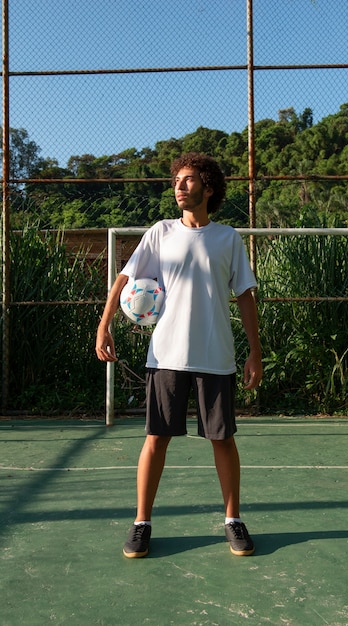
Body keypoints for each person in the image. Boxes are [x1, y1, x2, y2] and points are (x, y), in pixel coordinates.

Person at [95, 152, 263, 558]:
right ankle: (141, 524)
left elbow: (245, 296)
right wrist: (105, 323)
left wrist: (255, 352)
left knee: (223, 441)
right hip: (166, 356)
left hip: (215, 356)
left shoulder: (228, 238)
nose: (179, 187)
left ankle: (233, 521)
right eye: (176, 181)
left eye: (188, 180)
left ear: (208, 186)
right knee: (156, 439)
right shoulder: (160, 232)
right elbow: (124, 279)